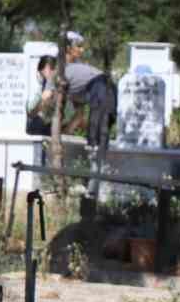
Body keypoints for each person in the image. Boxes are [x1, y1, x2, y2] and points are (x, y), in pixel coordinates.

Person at [59, 32, 117, 196]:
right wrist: (65, 134)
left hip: (102, 90)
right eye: (79, 46)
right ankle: (95, 189)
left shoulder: (69, 71)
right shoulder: (63, 72)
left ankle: (96, 191)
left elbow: (49, 97)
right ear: (67, 48)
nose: (82, 50)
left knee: (97, 140)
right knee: (96, 141)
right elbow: (78, 116)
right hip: (105, 91)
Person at [26, 56, 59, 137]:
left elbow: (31, 108)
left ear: (47, 67)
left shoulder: (49, 81)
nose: (41, 77)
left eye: (41, 72)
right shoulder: (61, 79)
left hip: (43, 124)